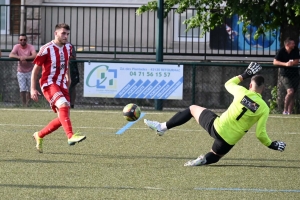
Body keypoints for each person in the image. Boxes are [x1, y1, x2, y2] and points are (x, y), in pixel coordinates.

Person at [144, 62, 286, 166]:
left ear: (250, 86)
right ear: (263, 89)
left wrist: (245, 74)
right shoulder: (264, 108)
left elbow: (228, 84)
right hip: (229, 140)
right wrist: (272, 145)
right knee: (216, 155)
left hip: (217, 127)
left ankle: (161, 127)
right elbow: (260, 134)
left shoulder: (242, 91)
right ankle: (202, 160)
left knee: (192, 108)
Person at [31, 23, 86, 153]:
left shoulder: (68, 47)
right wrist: (32, 88)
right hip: (49, 83)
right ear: (56, 33)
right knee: (63, 105)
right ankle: (70, 136)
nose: (66, 36)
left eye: (67, 34)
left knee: (63, 116)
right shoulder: (46, 49)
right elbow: (36, 69)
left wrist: (68, 77)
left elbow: (65, 63)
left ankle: (39, 135)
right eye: (63, 33)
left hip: (61, 83)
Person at [273, 37, 300, 115]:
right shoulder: (281, 51)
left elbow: (297, 60)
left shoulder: (295, 50)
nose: (294, 44)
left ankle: (290, 112)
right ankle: (285, 110)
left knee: (293, 93)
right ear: (288, 44)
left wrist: (292, 63)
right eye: (292, 43)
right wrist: (285, 64)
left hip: (294, 74)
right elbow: (275, 62)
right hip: (285, 74)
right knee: (290, 91)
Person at [9, 34, 37, 107]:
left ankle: (28, 105)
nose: (23, 41)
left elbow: (35, 55)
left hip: (30, 71)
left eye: (24, 39)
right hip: (21, 71)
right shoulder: (16, 46)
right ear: (19, 40)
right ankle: (23, 105)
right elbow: (11, 55)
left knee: (30, 89)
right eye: (21, 40)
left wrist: (26, 58)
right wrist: (20, 57)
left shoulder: (30, 47)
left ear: (26, 40)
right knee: (22, 89)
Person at [68, 43, 79, 109]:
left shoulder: (70, 46)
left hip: (72, 68)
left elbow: (73, 57)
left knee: (72, 86)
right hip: (60, 69)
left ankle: (72, 104)